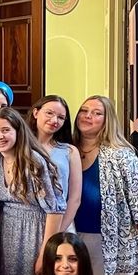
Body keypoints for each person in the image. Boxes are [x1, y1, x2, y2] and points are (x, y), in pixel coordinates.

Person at [73, 95, 138, 275]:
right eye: (84, 111)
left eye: (96, 113)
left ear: (107, 120)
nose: (88, 116)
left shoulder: (121, 155)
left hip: (115, 242)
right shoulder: (67, 150)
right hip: (71, 239)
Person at [0, 107, 64, 275]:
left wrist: (45, 253)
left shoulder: (34, 162)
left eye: (5, 130)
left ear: (18, 132)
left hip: (34, 234)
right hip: (5, 235)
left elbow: (54, 211)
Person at [28, 95, 82, 233]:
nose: (54, 120)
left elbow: (75, 198)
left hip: (61, 222)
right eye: (49, 113)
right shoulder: (20, 147)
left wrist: (58, 231)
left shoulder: (69, 151)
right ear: (36, 112)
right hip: (26, 223)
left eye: (61, 117)